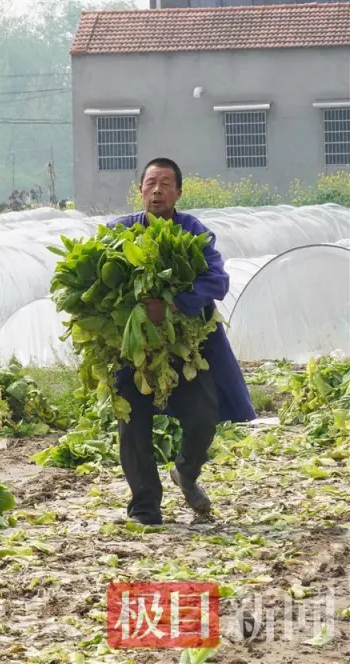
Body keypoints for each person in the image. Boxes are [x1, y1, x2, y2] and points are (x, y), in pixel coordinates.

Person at [112, 158, 256, 525]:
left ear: (178, 192)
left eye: (165, 183)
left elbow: (217, 282)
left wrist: (174, 304)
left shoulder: (194, 233)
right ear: (140, 189)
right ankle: (145, 508)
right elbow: (99, 288)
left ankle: (186, 472)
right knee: (133, 424)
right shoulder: (119, 233)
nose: (156, 190)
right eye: (150, 183)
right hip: (137, 351)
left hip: (185, 350)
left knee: (204, 417)